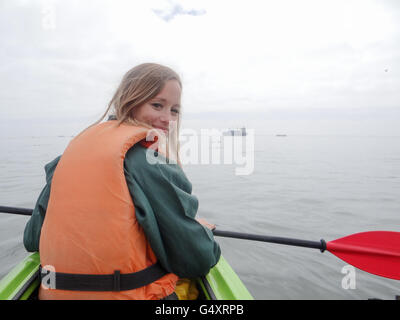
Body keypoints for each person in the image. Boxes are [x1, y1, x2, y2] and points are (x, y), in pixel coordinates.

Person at [23, 63, 221, 300]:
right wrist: (205, 235)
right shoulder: (151, 163)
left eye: (175, 110)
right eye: (157, 105)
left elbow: (32, 238)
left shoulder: (67, 156)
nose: (167, 118)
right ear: (130, 100)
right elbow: (196, 259)